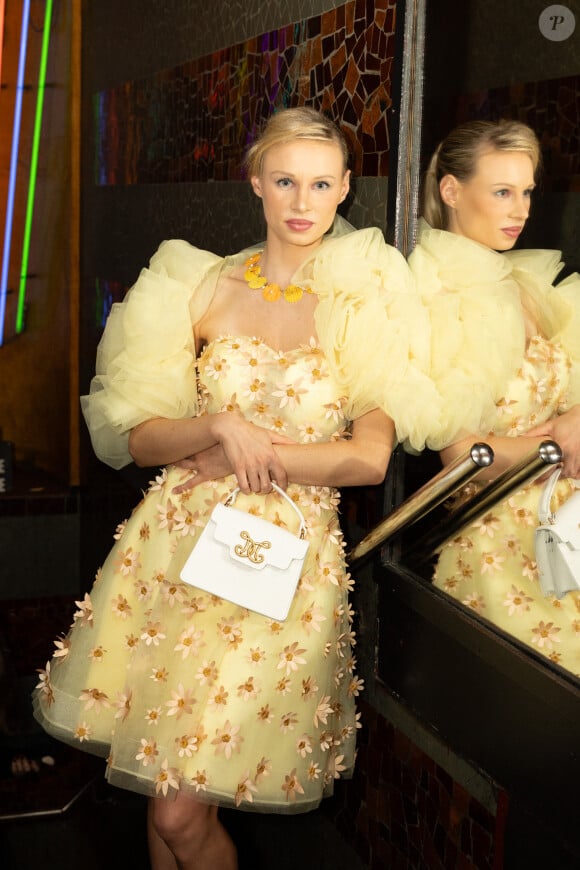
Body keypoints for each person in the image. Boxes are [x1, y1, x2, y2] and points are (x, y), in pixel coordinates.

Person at [33, 107, 438, 869]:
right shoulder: (200, 284)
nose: (302, 200)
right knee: (161, 797)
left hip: (279, 569)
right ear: (256, 182)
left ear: (345, 188)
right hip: (176, 553)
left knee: (181, 812)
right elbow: (138, 436)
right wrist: (218, 427)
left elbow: (368, 461)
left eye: (321, 184)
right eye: (285, 180)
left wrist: (257, 452)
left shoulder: (362, 303)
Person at [408, 119, 580, 676]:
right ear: (452, 191)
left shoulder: (523, 282)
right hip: (496, 539)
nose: (521, 209)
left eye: (526, 191)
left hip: (565, 520)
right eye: (502, 192)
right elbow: (460, 455)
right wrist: (557, 439)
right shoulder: (435, 293)